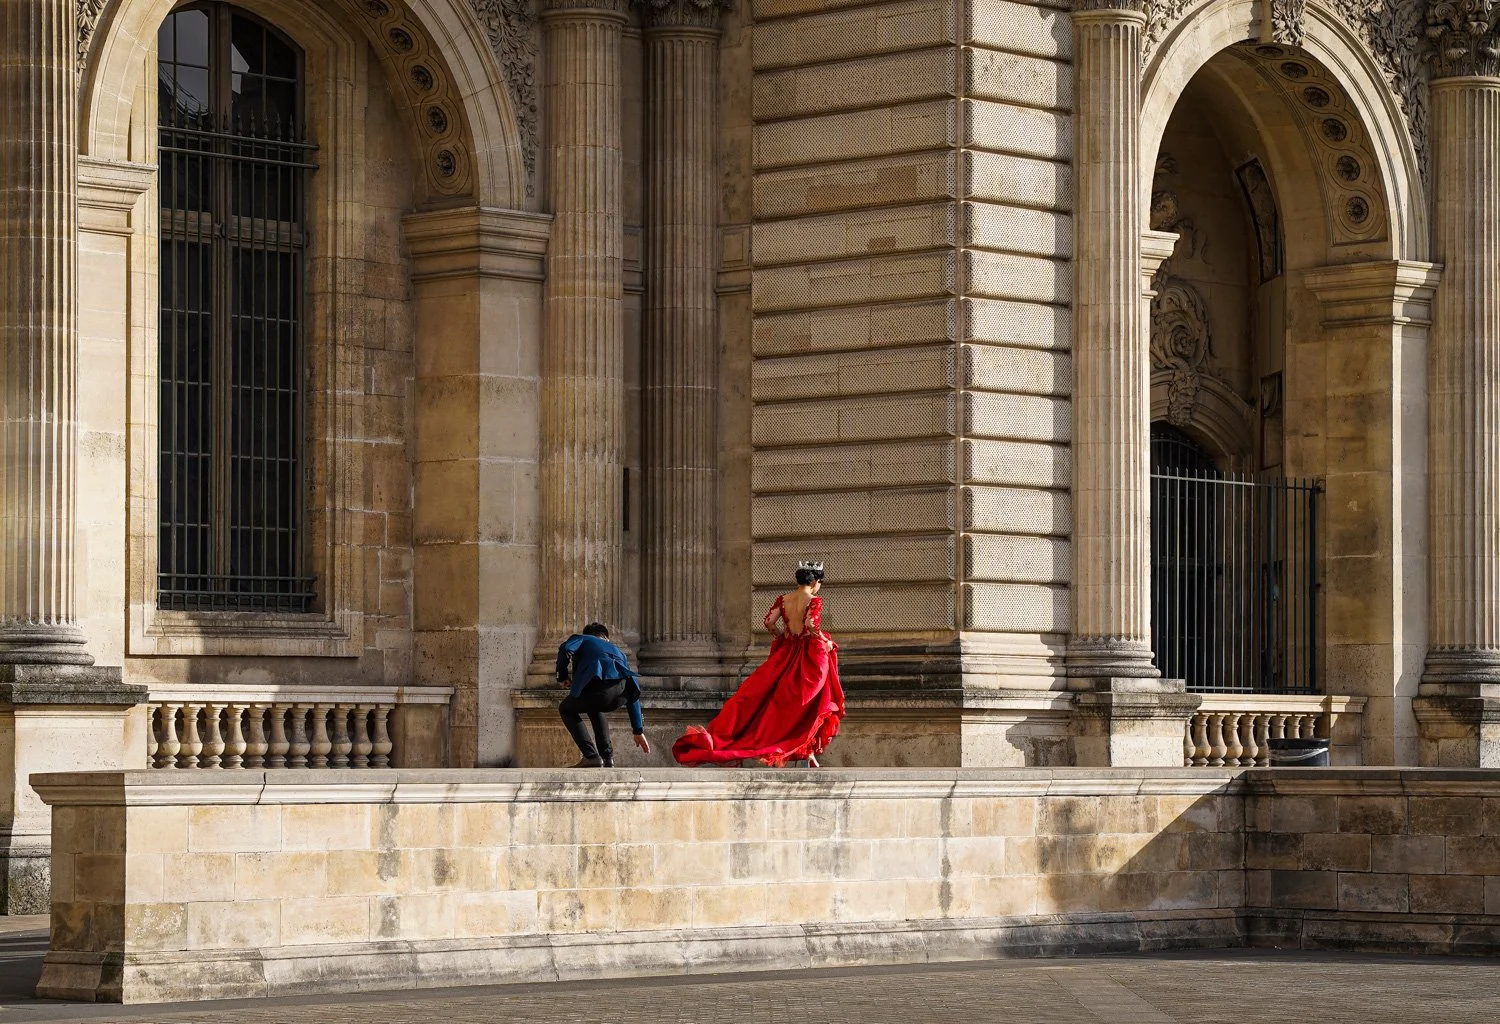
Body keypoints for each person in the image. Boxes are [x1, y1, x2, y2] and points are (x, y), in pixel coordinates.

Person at [673, 561, 844, 767]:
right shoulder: (814, 600)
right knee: (810, 704)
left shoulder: (784, 599)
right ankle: (805, 750)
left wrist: (782, 637)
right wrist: (824, 641)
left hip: (787, 653)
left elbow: (769, 622)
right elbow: (811, 624)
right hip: (808, 656)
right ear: (816, 581)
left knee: (774, 700)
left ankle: (807, 753)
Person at [555, 623, 651, 768]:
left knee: (566, 709)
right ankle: (607, 758)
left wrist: (561, 676)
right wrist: (638, 729)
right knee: (594, 707)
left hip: (599, 689)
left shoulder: (583, 638)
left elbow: (565, 648)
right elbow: (633, 693)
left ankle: (591, 756)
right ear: (606, 638)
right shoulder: (618, 651)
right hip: (620, 693)